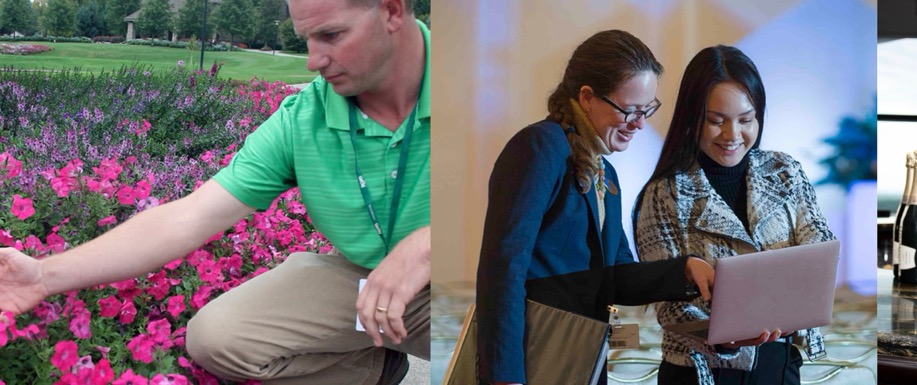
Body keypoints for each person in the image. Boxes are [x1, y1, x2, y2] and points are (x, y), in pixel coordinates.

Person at [0, 0, 430, 383]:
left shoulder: (488, 81)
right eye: (306, 40)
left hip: (474, 275)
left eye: (331, 35)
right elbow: (189, 218)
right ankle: (375, 370)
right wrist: (43, 276)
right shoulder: (305, 118)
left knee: (489, 350)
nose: (313, 61)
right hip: (368, 279)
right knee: (218, 337)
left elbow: (500, 218)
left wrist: (426, 246)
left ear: (392, 11)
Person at [474, 30, 715, 385]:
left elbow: (616, 276)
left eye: (647, 110)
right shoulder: (541, 146)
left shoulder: (608, 172)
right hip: (535, 356)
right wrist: (505, 376)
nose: (640, 124)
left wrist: (685, 270)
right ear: (586, 97)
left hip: (580, 354)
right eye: (630, 110)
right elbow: (503, 268)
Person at [634, 45, 834, 385]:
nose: (732, 135)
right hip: (702, 371)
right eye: (716, 121)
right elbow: (670, 307)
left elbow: (818, 240)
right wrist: (724, 336)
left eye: (746, 120)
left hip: (779, 362)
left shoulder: (783, 171)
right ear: (691, 118)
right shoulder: (665, 193)